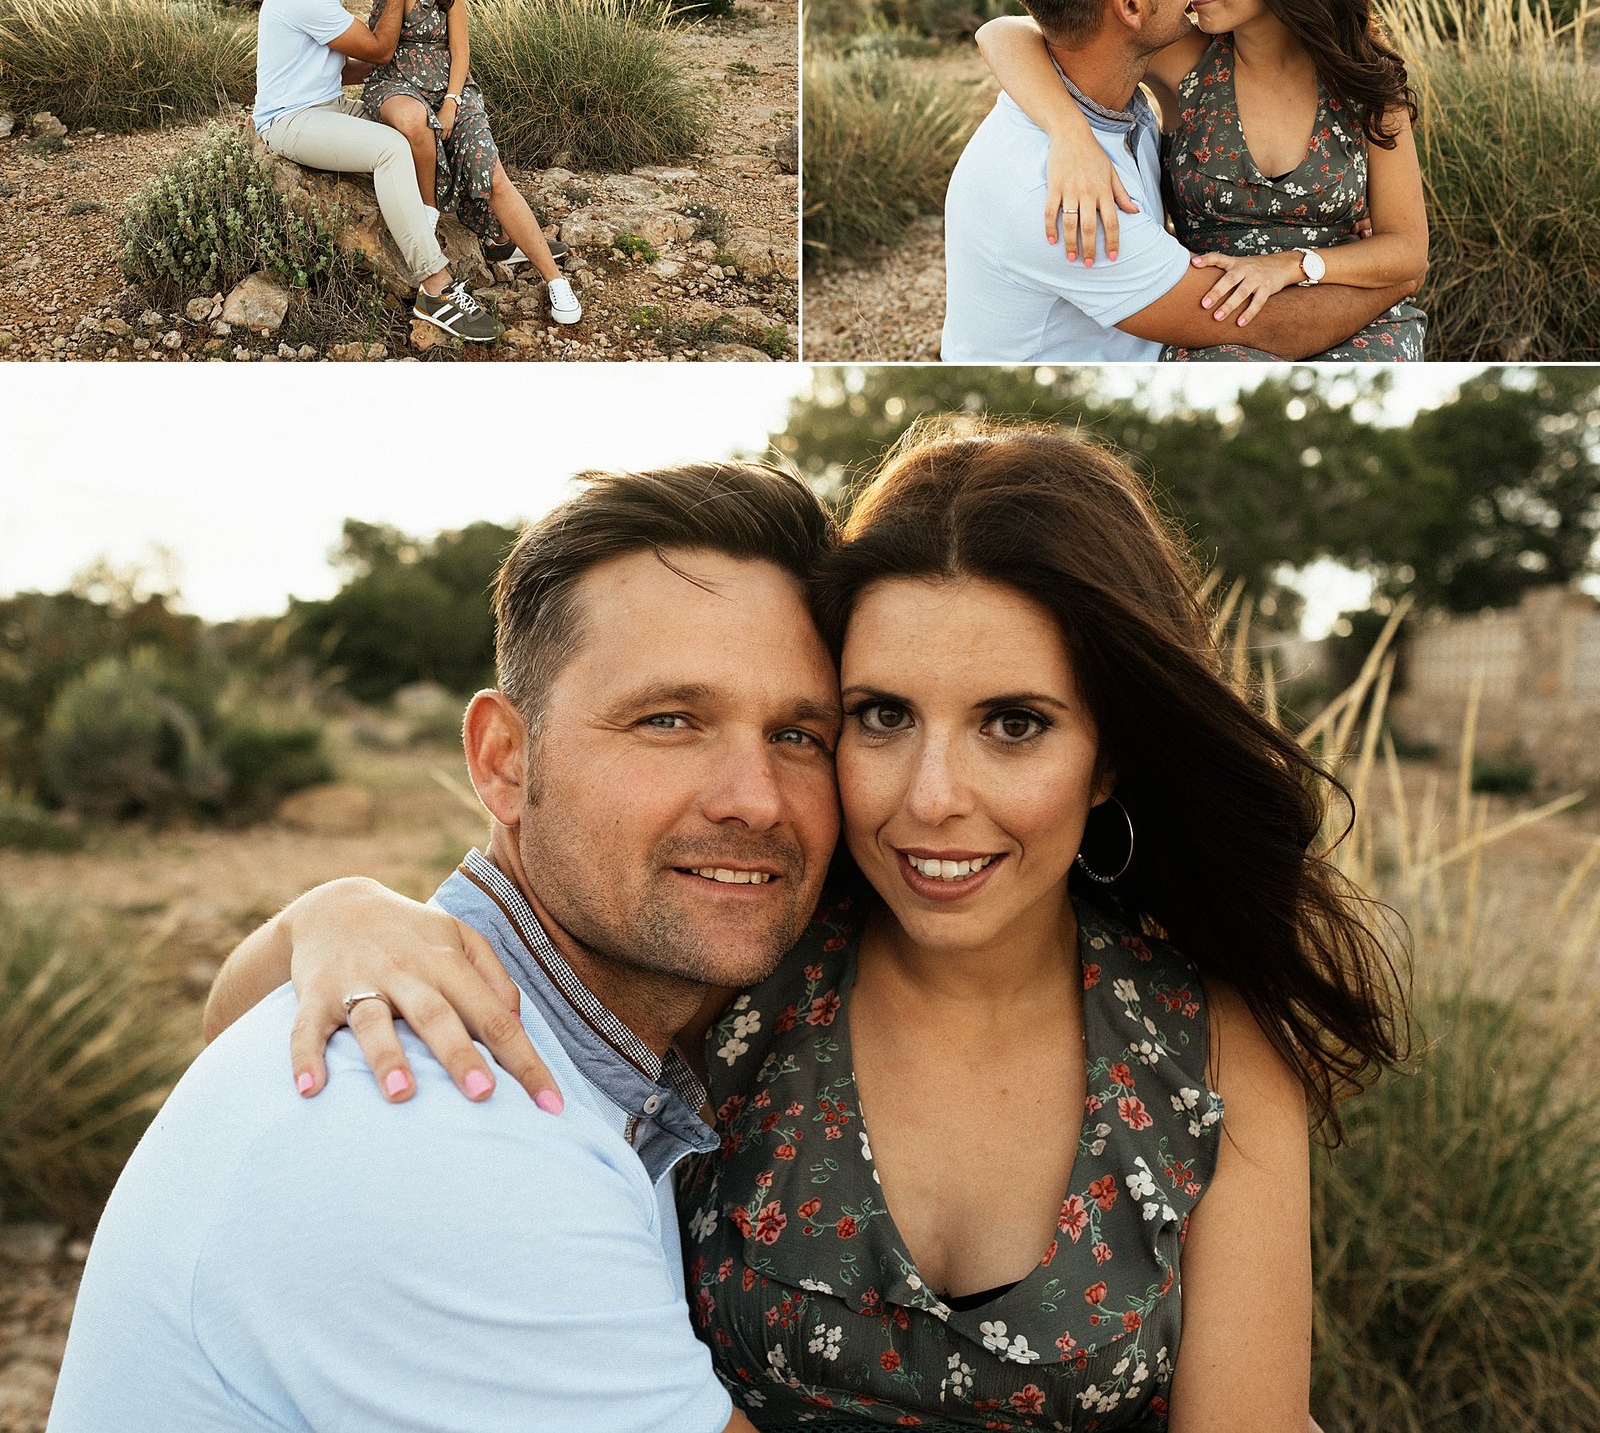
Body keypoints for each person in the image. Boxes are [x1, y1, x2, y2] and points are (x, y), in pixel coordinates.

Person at [205, 421, 1408, 1429]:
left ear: (1107, 759)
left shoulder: (1202, 1041)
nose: (932, 793)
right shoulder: (740, 958)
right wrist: (336, 912)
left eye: (1015, 723)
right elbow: (251, 1021)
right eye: (880, 715)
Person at [47, 462, 846, 1433]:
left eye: (800, 734)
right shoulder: (444, 1111)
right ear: (504, 762)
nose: (754, 798)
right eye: (668, 720)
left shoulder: (568, 1039)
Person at [939, 0, 1425, 363]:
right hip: (1220, 322)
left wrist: (1302, 263)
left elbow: (1407, 247)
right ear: (1132, 4)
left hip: (1345, 305)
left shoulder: (1365, 85)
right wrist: (1068, 133)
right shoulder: (1183, 64)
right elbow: (1007, 30)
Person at [252, 0, 498, 343]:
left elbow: (355, 63)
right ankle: (434, 289)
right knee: (391, 149)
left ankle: (482, 222)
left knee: (412, 121)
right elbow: (380, 48)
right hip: (292, 119)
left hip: (327, 103)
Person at [357, 0, 582, 327]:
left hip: (450, 87)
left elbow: (460, 52)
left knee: (492, 175)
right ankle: (429, 229)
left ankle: (555, 280)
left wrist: (452, 103)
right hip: (396, 83)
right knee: (413, 123)